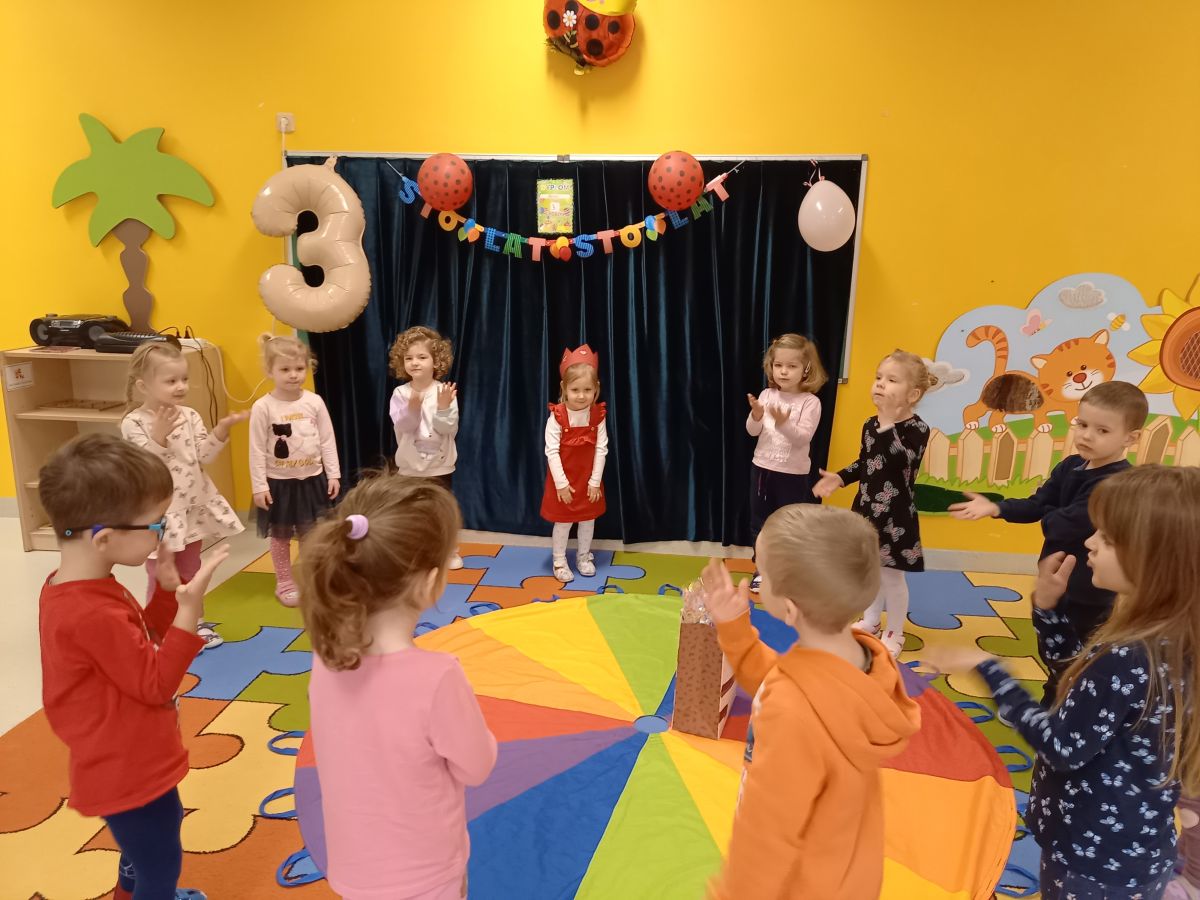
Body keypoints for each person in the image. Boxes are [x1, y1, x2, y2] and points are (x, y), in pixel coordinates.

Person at [927, 465, 1200, 900]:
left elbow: (1061, 745)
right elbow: (1078, 680)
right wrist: (1048, 609)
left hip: (1092, 859)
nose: (1089, 542)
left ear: (1154, 561)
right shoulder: (1167, 637)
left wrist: (989, 669)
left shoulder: (1129, 654)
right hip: (1130, 848)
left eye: (1107, 538)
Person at [38, 433, 229, 900]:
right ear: (104, 538)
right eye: (155, 525)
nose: (162, 535)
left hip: (130, 754)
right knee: (160, 869)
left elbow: (137, 643)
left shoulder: (78, 586)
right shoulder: (90, 612)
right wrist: (190, 611)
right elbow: (156, 682)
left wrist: (165, 594)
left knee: (146, 849)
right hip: (126, 767)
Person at [701, 503, 921, 899]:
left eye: (762, 574)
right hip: (848, 874)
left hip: (798, 885)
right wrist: (735, 630)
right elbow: (782, 683)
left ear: (789, 609)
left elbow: (767, 832)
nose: (756, 579)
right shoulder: (867, 659)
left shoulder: (792, 712)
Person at [300, 474, 497, 900]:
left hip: (354, 868)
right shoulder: (438, 676)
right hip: (427, 875)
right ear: (429, 583)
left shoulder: (325, 656)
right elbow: (477, 767)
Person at [949, 380, 1147, 701]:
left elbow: (1061, 526)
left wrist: (1050, 514)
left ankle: (1062, 707)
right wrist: (996, 508)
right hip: (1054, 581)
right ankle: (1053, 697)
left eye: (1102, 430)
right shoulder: (1071, 466)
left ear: (1130, 438)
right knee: (1051, 645)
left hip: (1089, 588)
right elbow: (1040, 505)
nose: (1086, 435)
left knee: (1075, 657)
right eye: (1082, 424)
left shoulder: (1116, 482)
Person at [121, 342, 246, 649]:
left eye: (184, 379)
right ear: (143, 385)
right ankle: (158, 629)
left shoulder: (190, 415)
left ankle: (193, 623)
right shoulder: (133, 423)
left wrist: (221, 432)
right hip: (159, 515)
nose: (181, 386)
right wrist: (159, 435)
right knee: (161, 575)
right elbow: (143, 467)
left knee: (190, 571)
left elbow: (204, 456)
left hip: (192, 510)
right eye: (171, 381)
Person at [813, 350, 936, 655]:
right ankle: (871, 620)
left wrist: (889, 424)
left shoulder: (918, 429)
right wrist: (840, 477)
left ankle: (895, 632)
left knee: (891, 577)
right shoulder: (870, 424)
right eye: (879, 377)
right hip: (867, 510)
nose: (880, 384)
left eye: (892, 380)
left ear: (912, 395)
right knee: (869, 571)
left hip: (896, 517)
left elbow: (900, 461)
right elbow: (867, 462)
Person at [249, 334, 341, 606]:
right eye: (285, 369)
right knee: (280, 536)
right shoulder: (263, 407)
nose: (293, 375)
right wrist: (259, 486)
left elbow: (327, 439)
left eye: (299, 368)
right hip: (279, 483)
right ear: (270, 371)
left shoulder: (314, 402)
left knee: (311, 536)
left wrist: (333, 473)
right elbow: (256, 449)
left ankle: (311, 579)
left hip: (311, 480)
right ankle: (285, 582)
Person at [745, 333, 827, 591]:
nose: (783, 371)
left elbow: (802, 439)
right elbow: (752, 432)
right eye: (778, 365)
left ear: (806, 369)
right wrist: (756, 416)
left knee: (789, 525)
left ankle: (786, 572)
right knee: (760, 522)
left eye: (791, 366)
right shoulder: (766, 395)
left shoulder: (810, 402)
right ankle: (762, 569)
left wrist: (783, 423)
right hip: (762, 469)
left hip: (792, 475)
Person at [388, 325, 464, 570]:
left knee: (441, 512)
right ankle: (415, 552)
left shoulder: (444, 391)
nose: (415, 363)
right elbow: (405, 427)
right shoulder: (400, 393)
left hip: (440, 467)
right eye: (409, 358)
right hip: (410, 469)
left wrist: (443, 407)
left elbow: (448, 429)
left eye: (422, 357)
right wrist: (412, 407)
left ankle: (448, 551)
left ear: (435, 361)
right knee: (412, 513)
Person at [540, 344, 608, 583]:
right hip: (565, 482)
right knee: (563, 522)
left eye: (587, 390)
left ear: (596, 388)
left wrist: (595, 481)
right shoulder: (557, 417)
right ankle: (559, 560)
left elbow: (601, 448)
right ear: (564, 388)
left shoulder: (597, 415)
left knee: (588, 519)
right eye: (575, 390)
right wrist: (561, 484)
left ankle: (583, 556)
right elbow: (551, 451)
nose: (581, 395)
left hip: (588, 480)